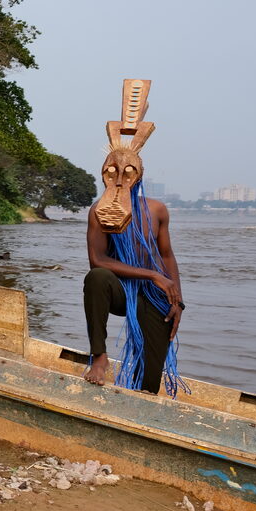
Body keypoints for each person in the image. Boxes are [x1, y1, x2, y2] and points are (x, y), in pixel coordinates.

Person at [82, 79, 186, 397]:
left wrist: (177, 300)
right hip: (119, 291)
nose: (119, 178)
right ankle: (99, 357)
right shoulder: (99, 210)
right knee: (97, 277)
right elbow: (98, 260)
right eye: (111, 171)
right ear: (104, 172)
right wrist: (152, 274)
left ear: (138, 174)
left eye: (127, 172)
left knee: (147, 384)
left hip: (152, 297)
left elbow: (167, 256)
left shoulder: (156, 210)